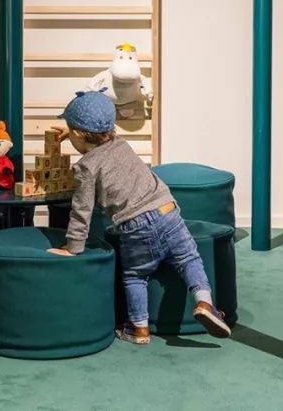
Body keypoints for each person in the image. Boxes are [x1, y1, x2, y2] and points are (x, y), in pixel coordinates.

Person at [46, 90, 232, 344]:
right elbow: (99, 134)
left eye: (71, 132)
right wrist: (74, 131)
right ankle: (204, 303)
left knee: (135, 275)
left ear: (78, 134)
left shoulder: (85, 167)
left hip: (135, 225)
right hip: (167, 211)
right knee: (190, 258)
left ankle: (139, 329)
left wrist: (73, 247)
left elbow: (82, 209)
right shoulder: (121, 144)